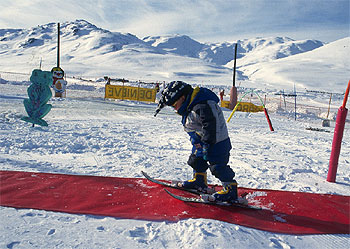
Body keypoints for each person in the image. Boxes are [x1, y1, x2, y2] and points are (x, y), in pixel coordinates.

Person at [154, 81, 238, 203]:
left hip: (216, 143)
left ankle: (230, 189)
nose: (175, 109)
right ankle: (199, 180)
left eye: (174, 105)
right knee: (196, 160)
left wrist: (207, 143)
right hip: (201, 142)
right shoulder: (190, 105)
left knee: (218, 166)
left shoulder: (202, 105)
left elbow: (211, 125)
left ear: (182, 98)